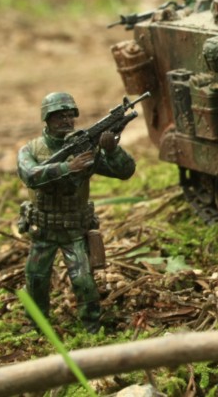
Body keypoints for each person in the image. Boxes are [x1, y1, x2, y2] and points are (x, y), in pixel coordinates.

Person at [17, 92, 136, 333]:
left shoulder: (84, 148)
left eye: (71, 115)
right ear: (47, 118)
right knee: (36, 278)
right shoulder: (31, 149)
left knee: (83, 280)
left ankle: (92, 328)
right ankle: (35, 325)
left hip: (74, 229)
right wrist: (67, 167)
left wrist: (112, 150)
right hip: (43, 229)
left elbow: (124, 172)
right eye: (60, 116)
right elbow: (29, 175)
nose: (67, 121)